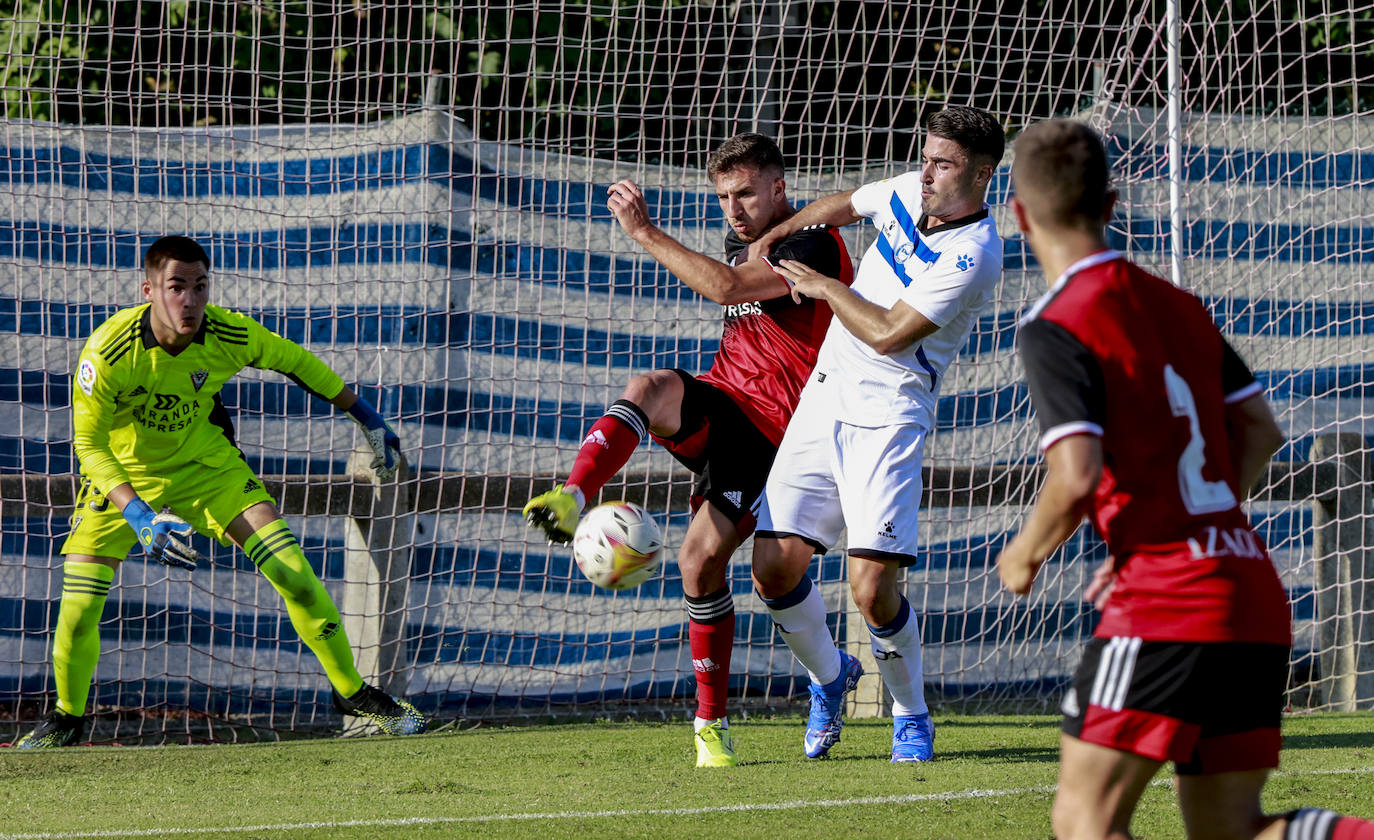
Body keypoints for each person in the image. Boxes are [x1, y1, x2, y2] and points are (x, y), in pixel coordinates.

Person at [997, 119, 1374, 840]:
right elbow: (1261, 430)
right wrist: (1197, 524)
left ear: (1018, 214)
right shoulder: (1182, 306)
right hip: (1249, 586)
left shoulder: (1059, 319)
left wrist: (1024, 554)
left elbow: (1076, 476)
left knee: (1084, 823)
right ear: (1111, 205)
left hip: (1168, 603)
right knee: (1232, 830)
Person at [17, 235, 426, 748]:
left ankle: (354, 694)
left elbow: (297, 362)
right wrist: (141, 515)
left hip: (208, 467)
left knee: (294, 574)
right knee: (77, 611)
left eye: (200, 286)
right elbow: (88, 446)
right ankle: (65, 721)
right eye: (176, 287)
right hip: (123, 477)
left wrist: (365, 417)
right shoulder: (108, 351)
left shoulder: (228, 332)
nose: (189, 300)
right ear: (149, 290)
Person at [523, 134, 852, 767]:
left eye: (747, 193)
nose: (735, 208)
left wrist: (644, 232)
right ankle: (573, 494)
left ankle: (714, 726)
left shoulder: (810, 246)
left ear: (779, 188)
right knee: (648, 386)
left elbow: (729, 288)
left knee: (700, 562)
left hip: (777, 435)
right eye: (725, 196)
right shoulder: (748, 238)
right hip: (726, 402)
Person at [746, 105, 1005, 763]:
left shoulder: (975, 252)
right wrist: (778, 234)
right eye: (926, 157)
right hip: (823, 401)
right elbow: (842, 204)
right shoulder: (906, 190)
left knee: (870, 590)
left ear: (982, 172)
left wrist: (828, 286)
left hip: (888, 420)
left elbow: (890, 333)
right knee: (772, 569)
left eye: (943, 164)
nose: (926, 173)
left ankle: (911, 716)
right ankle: (830, 678)